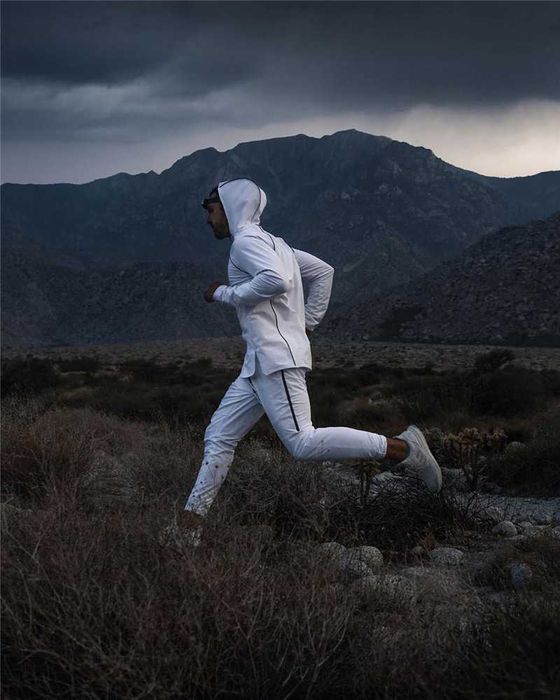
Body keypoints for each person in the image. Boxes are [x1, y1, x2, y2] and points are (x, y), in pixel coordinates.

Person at [181, 178, 441, 540]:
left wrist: (223, 293)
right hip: (258, 364)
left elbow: (275, 281)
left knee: (303, 443)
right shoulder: (277, 244)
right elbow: (323, 272)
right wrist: (307, 324)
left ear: (228, 206)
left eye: (210, 210)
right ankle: (188, 530)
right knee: (219, 436)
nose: (208, 219)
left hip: (275, 360)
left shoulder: (245, 244)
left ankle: (406, 449)